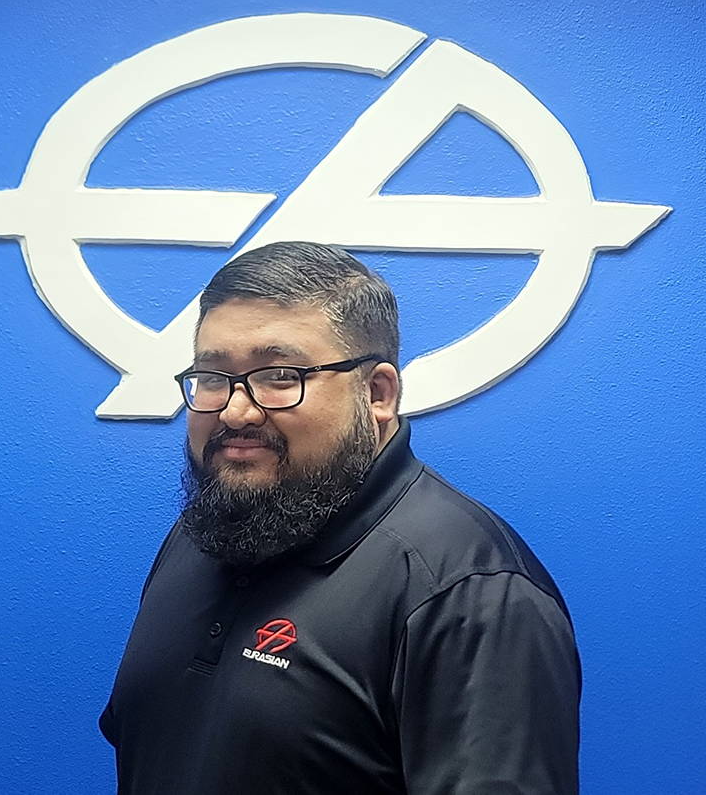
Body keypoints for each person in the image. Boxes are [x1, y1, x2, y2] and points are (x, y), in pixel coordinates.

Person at [100, 241, 581, 795]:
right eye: (211, 377)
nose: (234, 410)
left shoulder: (469, 593)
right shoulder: (199, 535)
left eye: (278, 375)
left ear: (377, 393)